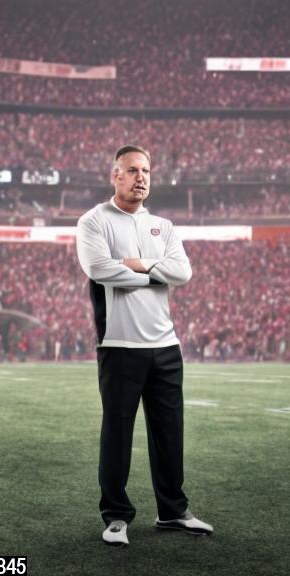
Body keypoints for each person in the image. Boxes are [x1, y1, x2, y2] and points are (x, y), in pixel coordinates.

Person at [76, 145, 213, 546]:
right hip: (119, 345)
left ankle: (173, 511)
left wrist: (139, 265)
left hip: (166, 346)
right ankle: (116, 516)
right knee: (117, 434)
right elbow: (99, 269)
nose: (141, 178)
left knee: (170, 432)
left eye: (147, 171)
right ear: (115, 175)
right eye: (133, 170)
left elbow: (183, 272)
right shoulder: (94, 221)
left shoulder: (163, 226)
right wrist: (156, 274)